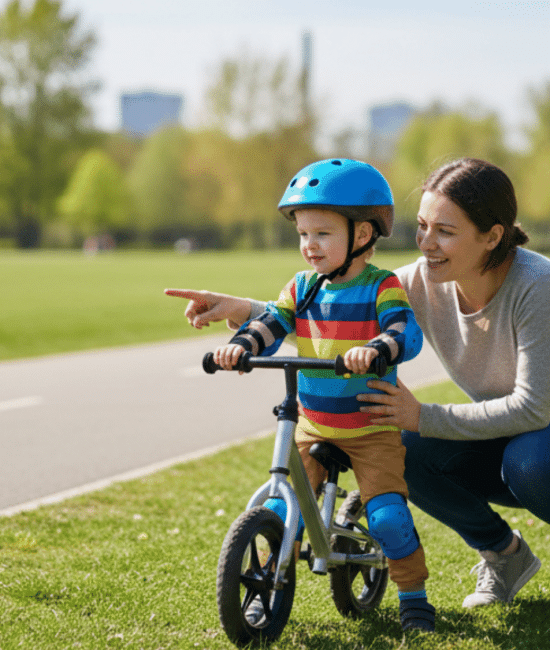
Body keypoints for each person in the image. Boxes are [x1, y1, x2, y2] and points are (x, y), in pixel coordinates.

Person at [166, 157, 550, 611]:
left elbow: (535, 408)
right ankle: (505, 556)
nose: (427, 244)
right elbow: (331, 313)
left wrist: (424, 414)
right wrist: (240, 308)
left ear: (493, 235)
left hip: (538, 438)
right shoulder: (421, 282)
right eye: (423, 226)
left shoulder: (537, 286)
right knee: (403, 445)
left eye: (445, 232)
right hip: (507, 438)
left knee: (528, 463)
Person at [169, 159, 436, 633]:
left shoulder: (382, 285)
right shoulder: (302, 287)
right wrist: (240, 346)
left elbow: (405, 331)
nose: (309, 246)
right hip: (313, 423)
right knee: (278, 508)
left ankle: (413, 594)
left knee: (390, 518)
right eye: (303, 234)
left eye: (323, 234)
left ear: (362, 235)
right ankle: (266, 586)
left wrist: (379, 348)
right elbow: (273, 323)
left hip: (371, 427)